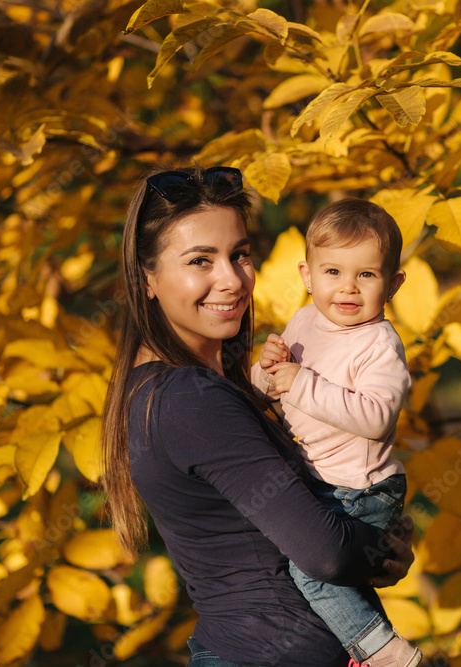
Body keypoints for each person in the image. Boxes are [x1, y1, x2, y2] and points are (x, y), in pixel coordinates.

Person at [100, 167, 413, 667]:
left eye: (239, 254)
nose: (230, 279)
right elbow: (324, 554)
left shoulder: (173, 385)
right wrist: (387, 547)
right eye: (200, 260)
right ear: (147, 279)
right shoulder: (189, 397)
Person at [251, 198, 421, 667]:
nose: (347, 288)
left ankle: (386, 654)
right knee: (331, 576)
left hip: (360, 489)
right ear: (307, 276)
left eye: (366, 275)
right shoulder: (305, 320)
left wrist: (300, 383)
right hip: (323, 482)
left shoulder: (378, 343)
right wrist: (265, 375)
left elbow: (376, 417)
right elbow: (274, 391)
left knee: (316, 572)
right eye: (333, 273)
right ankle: (357, 646)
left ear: (394, 283)